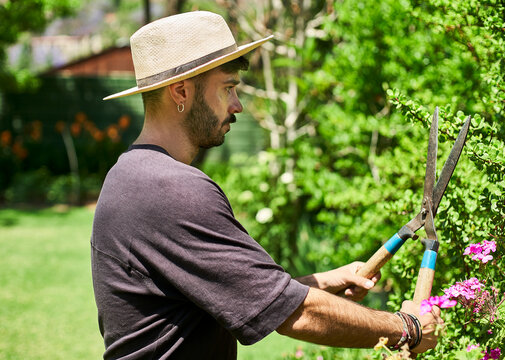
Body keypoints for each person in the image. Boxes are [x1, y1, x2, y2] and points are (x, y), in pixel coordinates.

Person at [91, 11, 443, 359]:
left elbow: (243, 295)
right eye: (228, 88)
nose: (238, 105)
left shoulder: (130, 177)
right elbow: (295, 314)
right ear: (181, 91)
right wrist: (407, 329)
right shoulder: (172, 190)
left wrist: (316, 282)